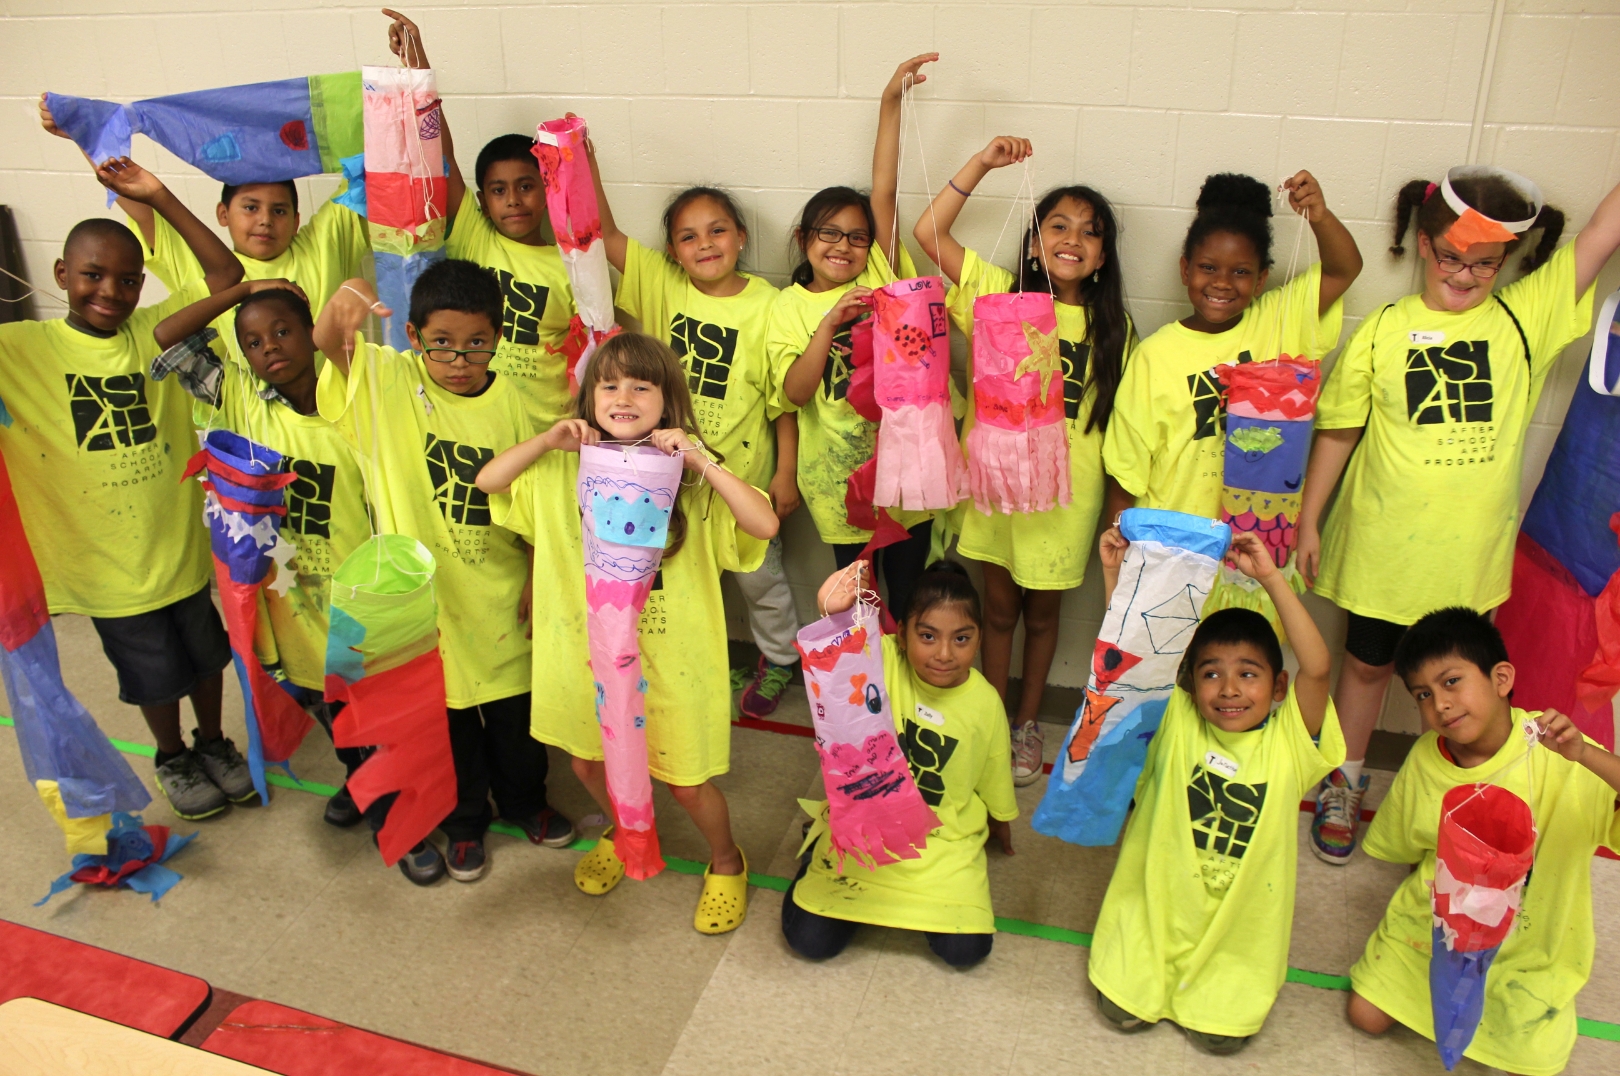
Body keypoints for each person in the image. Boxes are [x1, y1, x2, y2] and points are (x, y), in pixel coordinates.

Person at [1299, 166, 1620, 866]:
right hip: (1384, 547)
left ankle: (1446, 803)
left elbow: (1602, 234)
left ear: (1504, 264)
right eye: (1451, 257)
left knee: (1457, 690)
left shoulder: (1523, 317)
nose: (1466, 275)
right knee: (1366, 670)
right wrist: (1308, 520)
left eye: (1484, 264)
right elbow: (1337, 433)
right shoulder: (1383, 331)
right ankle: (1344, 783)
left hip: (1466, 561)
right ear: (1423, 243)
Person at [475, 332, 779, 934]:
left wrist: (698, 459)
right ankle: (625, 829)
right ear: (588, 398)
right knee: (589, 764)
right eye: (609, 384)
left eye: (642, 385)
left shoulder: (690, 476)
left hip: (672, 663)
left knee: (689, 782)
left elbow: (764, 522)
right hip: (585, 657)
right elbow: (489, 482)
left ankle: (726, 860)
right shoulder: (560, 469)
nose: (624, 396)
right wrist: (547, 439)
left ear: (667, 400)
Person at [0, 157, 247, 820]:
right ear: (61, 276)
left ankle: (215, 742)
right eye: (92, 275)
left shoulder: (154, 334)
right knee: (152, 675)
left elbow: (226, 278)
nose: (110, 290)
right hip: (106, 566)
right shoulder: (23, 351)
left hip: (179, 550)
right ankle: (172, 754)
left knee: (205, 657)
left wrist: (158, 196)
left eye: (128, 279)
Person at [313, 262, 575, 886]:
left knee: (515, 722)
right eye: (442, 344)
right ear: (411, 335)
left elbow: (534, 498)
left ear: (499, 339)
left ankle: (525, 802)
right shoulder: (386, 381)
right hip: (426, 606)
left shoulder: (509, 400)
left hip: (500, 594)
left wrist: (539, 574)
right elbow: (328, 340)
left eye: (477, 344)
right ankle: (464, 823)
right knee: (449, 724)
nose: (460, 358)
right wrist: (348, 295)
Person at [913, 135, 1135, 786]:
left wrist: (1118, 513)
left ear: (1101, 257)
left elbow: (1121, 427)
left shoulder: (1112, 326)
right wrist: (983, 163)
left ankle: (1027, 721)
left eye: (1090, 233)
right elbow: (929, 229)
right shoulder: (996, 296)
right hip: (995, 488)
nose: (1073, 239)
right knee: (999, 607)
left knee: (1043, 615)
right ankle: (991, 711)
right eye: (1057, 226)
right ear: (1035, 242)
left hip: (1067, 499)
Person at [1087, 528, 1342, 1055]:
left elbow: (1317, 666)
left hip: (1237, 933)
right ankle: (1144, 970)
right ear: (1188, 683)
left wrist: (1271, 577)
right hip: (1157, 915)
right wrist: (1115, 575)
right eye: (1212, 675)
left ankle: (1218, 989)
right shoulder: (1177, 723)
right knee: (1118, 1005)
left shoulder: (1291, 744)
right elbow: (1130, 663)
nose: (1229, 689)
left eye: (1248, 675)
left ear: (1277, 689)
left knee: (1225, 1035)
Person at [1347, 608, 1620, 1076]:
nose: (1440, 705)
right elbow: (1407, 854)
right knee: (1365, 1016)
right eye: (1423, 695)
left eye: (1452, 682)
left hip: (1530, 953)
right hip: (1440, 937)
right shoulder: (1424, 761)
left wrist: (1585, 755)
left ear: (1501, 678)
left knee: (1534, 1063)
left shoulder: (1559, 753)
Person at [151, 281, 372, 828]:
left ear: (310, 335)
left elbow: (360, 295)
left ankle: (388, 786)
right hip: (288, 591)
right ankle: (358, 777)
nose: (269, 347)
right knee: (315, 691)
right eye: (251, 342)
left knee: (368, 694)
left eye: (281, 331)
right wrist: (245, 288)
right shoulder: (241, 396)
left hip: (359, 584)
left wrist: (347, 296)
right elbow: (167, 339)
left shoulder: (352, 395)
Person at [587, 160, 800, 719]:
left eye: (717, 230)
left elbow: (783, 401)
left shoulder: (770, 305)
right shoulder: (661, 282)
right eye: (688, 236)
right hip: (664, 478)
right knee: (682, 579)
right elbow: (607, 236)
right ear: (672, 251)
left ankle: (779, 658)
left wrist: (783, 473)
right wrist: (581, 156)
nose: (704, 244)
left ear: (742, 236)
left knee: (760, 578)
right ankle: (705, 655)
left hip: (738, 479)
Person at [782, 560, 1018, 968]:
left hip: (941, 846)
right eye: (928, 636)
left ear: (978, 640)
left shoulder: (985, 702)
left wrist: (1000, 820)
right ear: (903, 635)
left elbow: (994, 771)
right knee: (809, 942)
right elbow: (838, 653)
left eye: (961, 638)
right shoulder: (881, 660)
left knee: (967, 952)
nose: (944, 654)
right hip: (868, 836)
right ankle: (816, 856)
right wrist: (832, 608)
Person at [768, 53, 937, 621]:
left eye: (856, 237)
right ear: (803, 238)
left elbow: (884, 190)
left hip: (908, 472)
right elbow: (792, 394)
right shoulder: (787, 307)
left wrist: (890, 101)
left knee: (912, 598)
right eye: (828, 233)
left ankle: (912, 700)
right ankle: (866, 704)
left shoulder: (879, 274)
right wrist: (829, 325)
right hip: (838, 483)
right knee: (858, 605)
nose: (842, 246)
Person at [1103, 171, 1360, 520]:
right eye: (1208, 267)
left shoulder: (1279, 319)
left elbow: (1342, 270)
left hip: (1257, 537)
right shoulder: (1154, 354)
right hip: (1173, 538)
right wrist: (1119, 552)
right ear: (1185, 270)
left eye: (1240, 272)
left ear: (1260, 280)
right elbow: (1125, 471)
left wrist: (1320, 216)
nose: (1222, 283)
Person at [386, 10, 579, 434]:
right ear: (482, 200)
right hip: (471, 425)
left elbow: (591, 355)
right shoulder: (475, 237)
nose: (513, 200)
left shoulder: (573, 264)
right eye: (498, 190)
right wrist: (418, 71)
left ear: (547, 192)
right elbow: (440, 153)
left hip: (545, 433)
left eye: (526, 186)